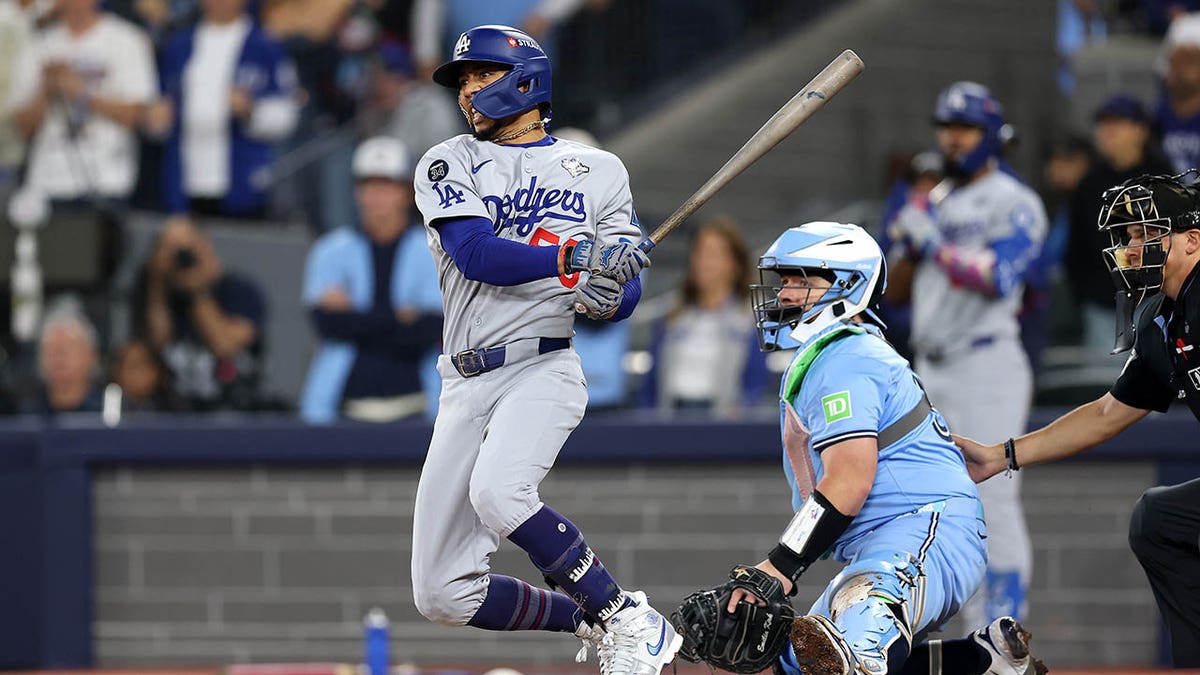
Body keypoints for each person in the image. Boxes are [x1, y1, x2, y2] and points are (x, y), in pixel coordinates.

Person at [408, 24, 677, 674]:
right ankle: (591, 616)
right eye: (465, 79)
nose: (469, 89)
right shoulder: (448, 160)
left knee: (500, 493)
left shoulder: (601, 171)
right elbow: (476, 254)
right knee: (439, 591)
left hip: (541, 365)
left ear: (525, 79)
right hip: (464, 381)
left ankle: (625, 616)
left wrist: (612, 290)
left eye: (481, 74)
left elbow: (622, 301)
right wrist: (576, 255)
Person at [671, 221, 1045, 675]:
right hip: (888, 538)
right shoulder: (837, 354)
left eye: (802, 281)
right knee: (799, 662)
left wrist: (782, 564)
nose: (786, 293)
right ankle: (982, 662)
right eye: (785, 280)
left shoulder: (847, 357)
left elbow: (849, 478)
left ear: (849, 287)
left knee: (850, 660)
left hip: (923, 526)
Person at [956, 172, 1200, 667]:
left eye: (1149, 234)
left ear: (1193, 239)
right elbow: (1108, 413)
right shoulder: (1161, 318)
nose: (1134, 247)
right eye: (1130, 237)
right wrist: (1002, 455)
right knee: (1158, 519)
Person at [887, 82, 1046, 631]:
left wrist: (930, 240)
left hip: (987, 364)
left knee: (994, 500)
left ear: (992, 135)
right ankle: (960, 637)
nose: (952, 139)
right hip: (931, 366)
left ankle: (1004, 639)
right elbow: (898, 292)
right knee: (933, 503)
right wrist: (905, 244)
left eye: (965, 128)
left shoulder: (1014, 199)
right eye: (946, 127)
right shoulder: (937, 199)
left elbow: (1001, 278)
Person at [299, 136, 443, 424]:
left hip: (420, 403)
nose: (376, 196)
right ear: (356, 192)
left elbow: (430, 330)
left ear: (405, 192)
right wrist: (398, 318)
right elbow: (329, 325)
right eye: (368, 185)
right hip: (341, 405)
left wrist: (357, 316)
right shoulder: (330, 250)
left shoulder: (434, 249)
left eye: (387, 185)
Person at [153, 0, 298, 219]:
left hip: (243, 180)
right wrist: (158, 119)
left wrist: (252, 111)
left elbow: (287, 115)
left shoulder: (265, 46)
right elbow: (157, 115)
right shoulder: (178, 46)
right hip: (184, 179)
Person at [7, 0, 157, 201]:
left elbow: (135, 116)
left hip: (108, 180)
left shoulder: (126, 39)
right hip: (47, 181)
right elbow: (23, 127)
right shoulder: (40, 44)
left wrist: (79, 93)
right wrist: (46, 92)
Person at [1068, 95, 1173, 353]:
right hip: (1105, 308)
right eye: (1103, 124)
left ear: (1141, 130)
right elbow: (1076, 248)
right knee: (1106, 387)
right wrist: (1088, 294)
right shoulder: (1089, 183)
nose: (1109, 131)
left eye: (1119, 123)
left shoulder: (1163, 177)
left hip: (1159, 304)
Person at [638, 216, 768, 416]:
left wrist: (744, 409)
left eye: (713, 254)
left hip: (725, 420)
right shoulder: (673, 313)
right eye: (699, 252)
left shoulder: (750, 316)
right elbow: (652, 379)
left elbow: (757, 376)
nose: (703, 261)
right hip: (672, 415)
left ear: (734, 263)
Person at [135, 215, 267, 410]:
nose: (179, 258)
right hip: (172, 410)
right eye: (169, 249)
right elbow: (158, 343)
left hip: (233, 409)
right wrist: (157, 282)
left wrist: (198, 290)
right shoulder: (159, 295)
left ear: (204, 246)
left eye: (185, 248)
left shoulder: (240, 291)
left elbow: (224, 346)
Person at [24, 299, 103, 415]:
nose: (59, 355)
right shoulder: (24, 417)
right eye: (51, 348)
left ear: (91, 356)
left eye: (69, 347)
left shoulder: (113, 414)